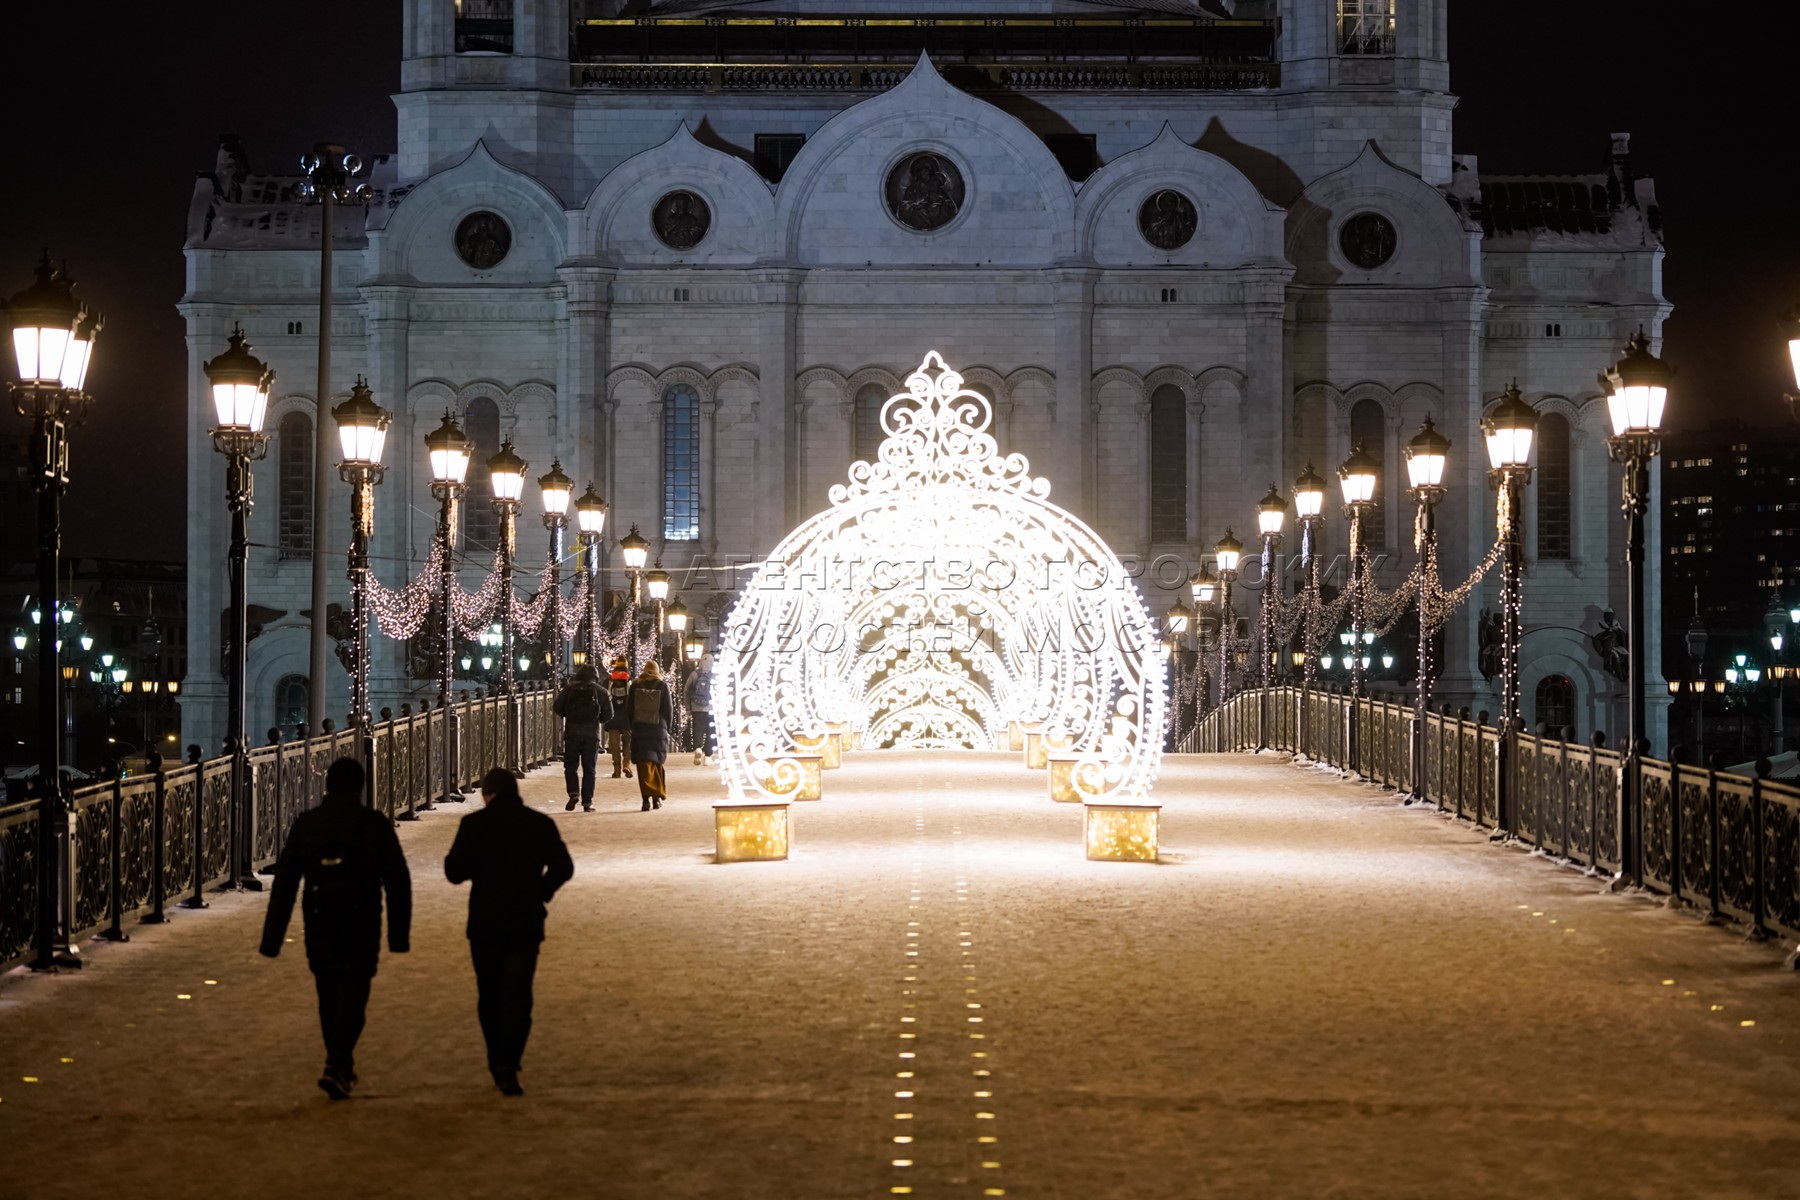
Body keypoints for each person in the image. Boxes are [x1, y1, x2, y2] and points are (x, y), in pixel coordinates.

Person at [259, 756, 412, 1100]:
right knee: (354, 994)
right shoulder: (372, 824)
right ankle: (338, 1063)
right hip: (362, 918)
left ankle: (338, 1064)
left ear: (327, 786)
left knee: (327, 993)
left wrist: (272, 938)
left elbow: (285, 883)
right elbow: (398, 880)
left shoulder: (308, 823)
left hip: (319, 917)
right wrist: (398, 936)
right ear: (360, 787)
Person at [444, 767, 575, 1096]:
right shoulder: (538, 823)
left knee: (489, 994)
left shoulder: (473, 825)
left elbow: (454, 872)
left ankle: (495, 1058)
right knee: (518, 994)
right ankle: (509, 1061)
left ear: (488, 794)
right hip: (525, 919)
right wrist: (541, 891)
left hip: (485, 921)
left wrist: (479, 867)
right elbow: (564, 866)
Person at [554, 662, 612, 811]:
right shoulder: (601, 691)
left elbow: (557, 707)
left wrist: (570, 715)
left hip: (572, 733)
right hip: (591, 735)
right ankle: (587, 802)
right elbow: (609, 714)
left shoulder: (569, 689)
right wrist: (596, 719)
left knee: (571, 766)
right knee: (589, 768)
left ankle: (573, 793)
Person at [629, 660, 675, 811]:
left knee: (643, 766)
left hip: (640, 728)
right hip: (658, 729)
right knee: (656, 764)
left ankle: (645, 800)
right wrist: (666, 728)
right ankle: (656, 798)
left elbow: (629, 708)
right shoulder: (662, 686)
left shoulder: (635, 685)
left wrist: (633, 725)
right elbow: (668, 710)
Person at [604, 657, 633, 778]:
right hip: (627, 716)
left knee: (614, 743)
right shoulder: (630, 680)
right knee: (628, 742)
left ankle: (617, 769)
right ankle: (626, 763)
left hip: (613, 716)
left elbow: (604, 696)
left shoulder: (609, 680)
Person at [684, 654, 715, 766]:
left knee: (698, 730)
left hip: (697, 708)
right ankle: (708, 756)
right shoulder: (714, 676)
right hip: (712, 709)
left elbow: (686, 691)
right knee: (711, 732)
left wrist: (688, 708)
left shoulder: (694, 674)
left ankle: (698, 748)